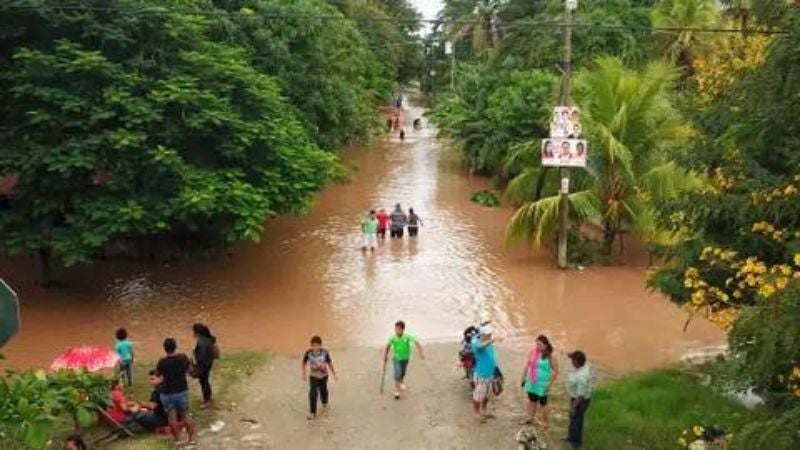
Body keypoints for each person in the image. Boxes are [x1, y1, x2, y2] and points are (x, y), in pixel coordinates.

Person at [156, 338, 196, 445]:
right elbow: (190, 371)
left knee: (172, 417)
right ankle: (192, 439)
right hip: (181, 391)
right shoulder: (182, 357)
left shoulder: (162, 362)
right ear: (175, 346)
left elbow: (158, 376)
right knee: (186, 415)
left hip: (167, 393)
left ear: (165, 349)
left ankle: (178, 440)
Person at [520, 335, 559, 428]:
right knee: (532, 400)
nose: (537, 346)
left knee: (543, 403)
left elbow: (556, 372)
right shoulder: (533, 352)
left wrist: (549, 384)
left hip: (542, 384)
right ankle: (530, 418)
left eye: (539, 344)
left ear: (545, 345)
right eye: (536, 344)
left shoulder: (550, 357)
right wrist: (523, 377)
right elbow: (527, 365)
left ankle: (545, 422)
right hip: (531, 381)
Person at [383, 320, 425, 400]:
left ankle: (401, 381)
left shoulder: (407, 337)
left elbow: (416, 342)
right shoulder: (393, 338)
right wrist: (385, 356)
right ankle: (396, 390)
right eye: (395, 329)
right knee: (397, 373)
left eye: (398, 329)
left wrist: (421, 352)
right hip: (396, 358)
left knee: (403, 372)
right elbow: (387, 347)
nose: (396, 331)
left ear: (402, 329)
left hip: (405, 358)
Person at [301, 335, 338, 420]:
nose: (315, 347)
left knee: (323, 392)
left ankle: (325, 404)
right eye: (314, 345)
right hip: (313, 377)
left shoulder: (325, 353)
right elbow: (303, 363)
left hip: (324, 376)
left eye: (317, 345)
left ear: (321, 345)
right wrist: (303, 373)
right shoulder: (308, 353)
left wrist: (334, 374)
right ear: (311, 346)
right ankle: (312, 413)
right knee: (313, 394)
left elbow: (329, 363)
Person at [471, 324, 498, 423]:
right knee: (478, 396)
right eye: (488, 335)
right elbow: (481, 346)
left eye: (490, 335)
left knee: (486, 395)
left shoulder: (487, 342)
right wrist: (493, 340)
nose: (489, 336)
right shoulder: (476, 343)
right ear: (482, 335)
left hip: (490, 373)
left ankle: (484, 411)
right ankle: (477, 413)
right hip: (482, 375)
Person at [565, 351, 592, 450]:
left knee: (577, 421)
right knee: (572, 419)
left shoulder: (582, 376)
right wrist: (571, 355)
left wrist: (573, 406)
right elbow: (579, 356)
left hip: (580, 401)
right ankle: (570, 437)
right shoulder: (583, 366)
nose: (571, 362)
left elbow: (581, 395)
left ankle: (576, 444)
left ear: (576, 362)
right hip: (575, 397)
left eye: (572, 360)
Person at [192, 323, 217, 409]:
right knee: (205, 380)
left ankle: (207, 401)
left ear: (197, 333)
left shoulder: (201, 342)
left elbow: (201, 356)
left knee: (203, 381)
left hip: (203, 365)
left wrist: (196, 364)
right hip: (208, 363)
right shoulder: (208, 339)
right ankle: (208, 398)